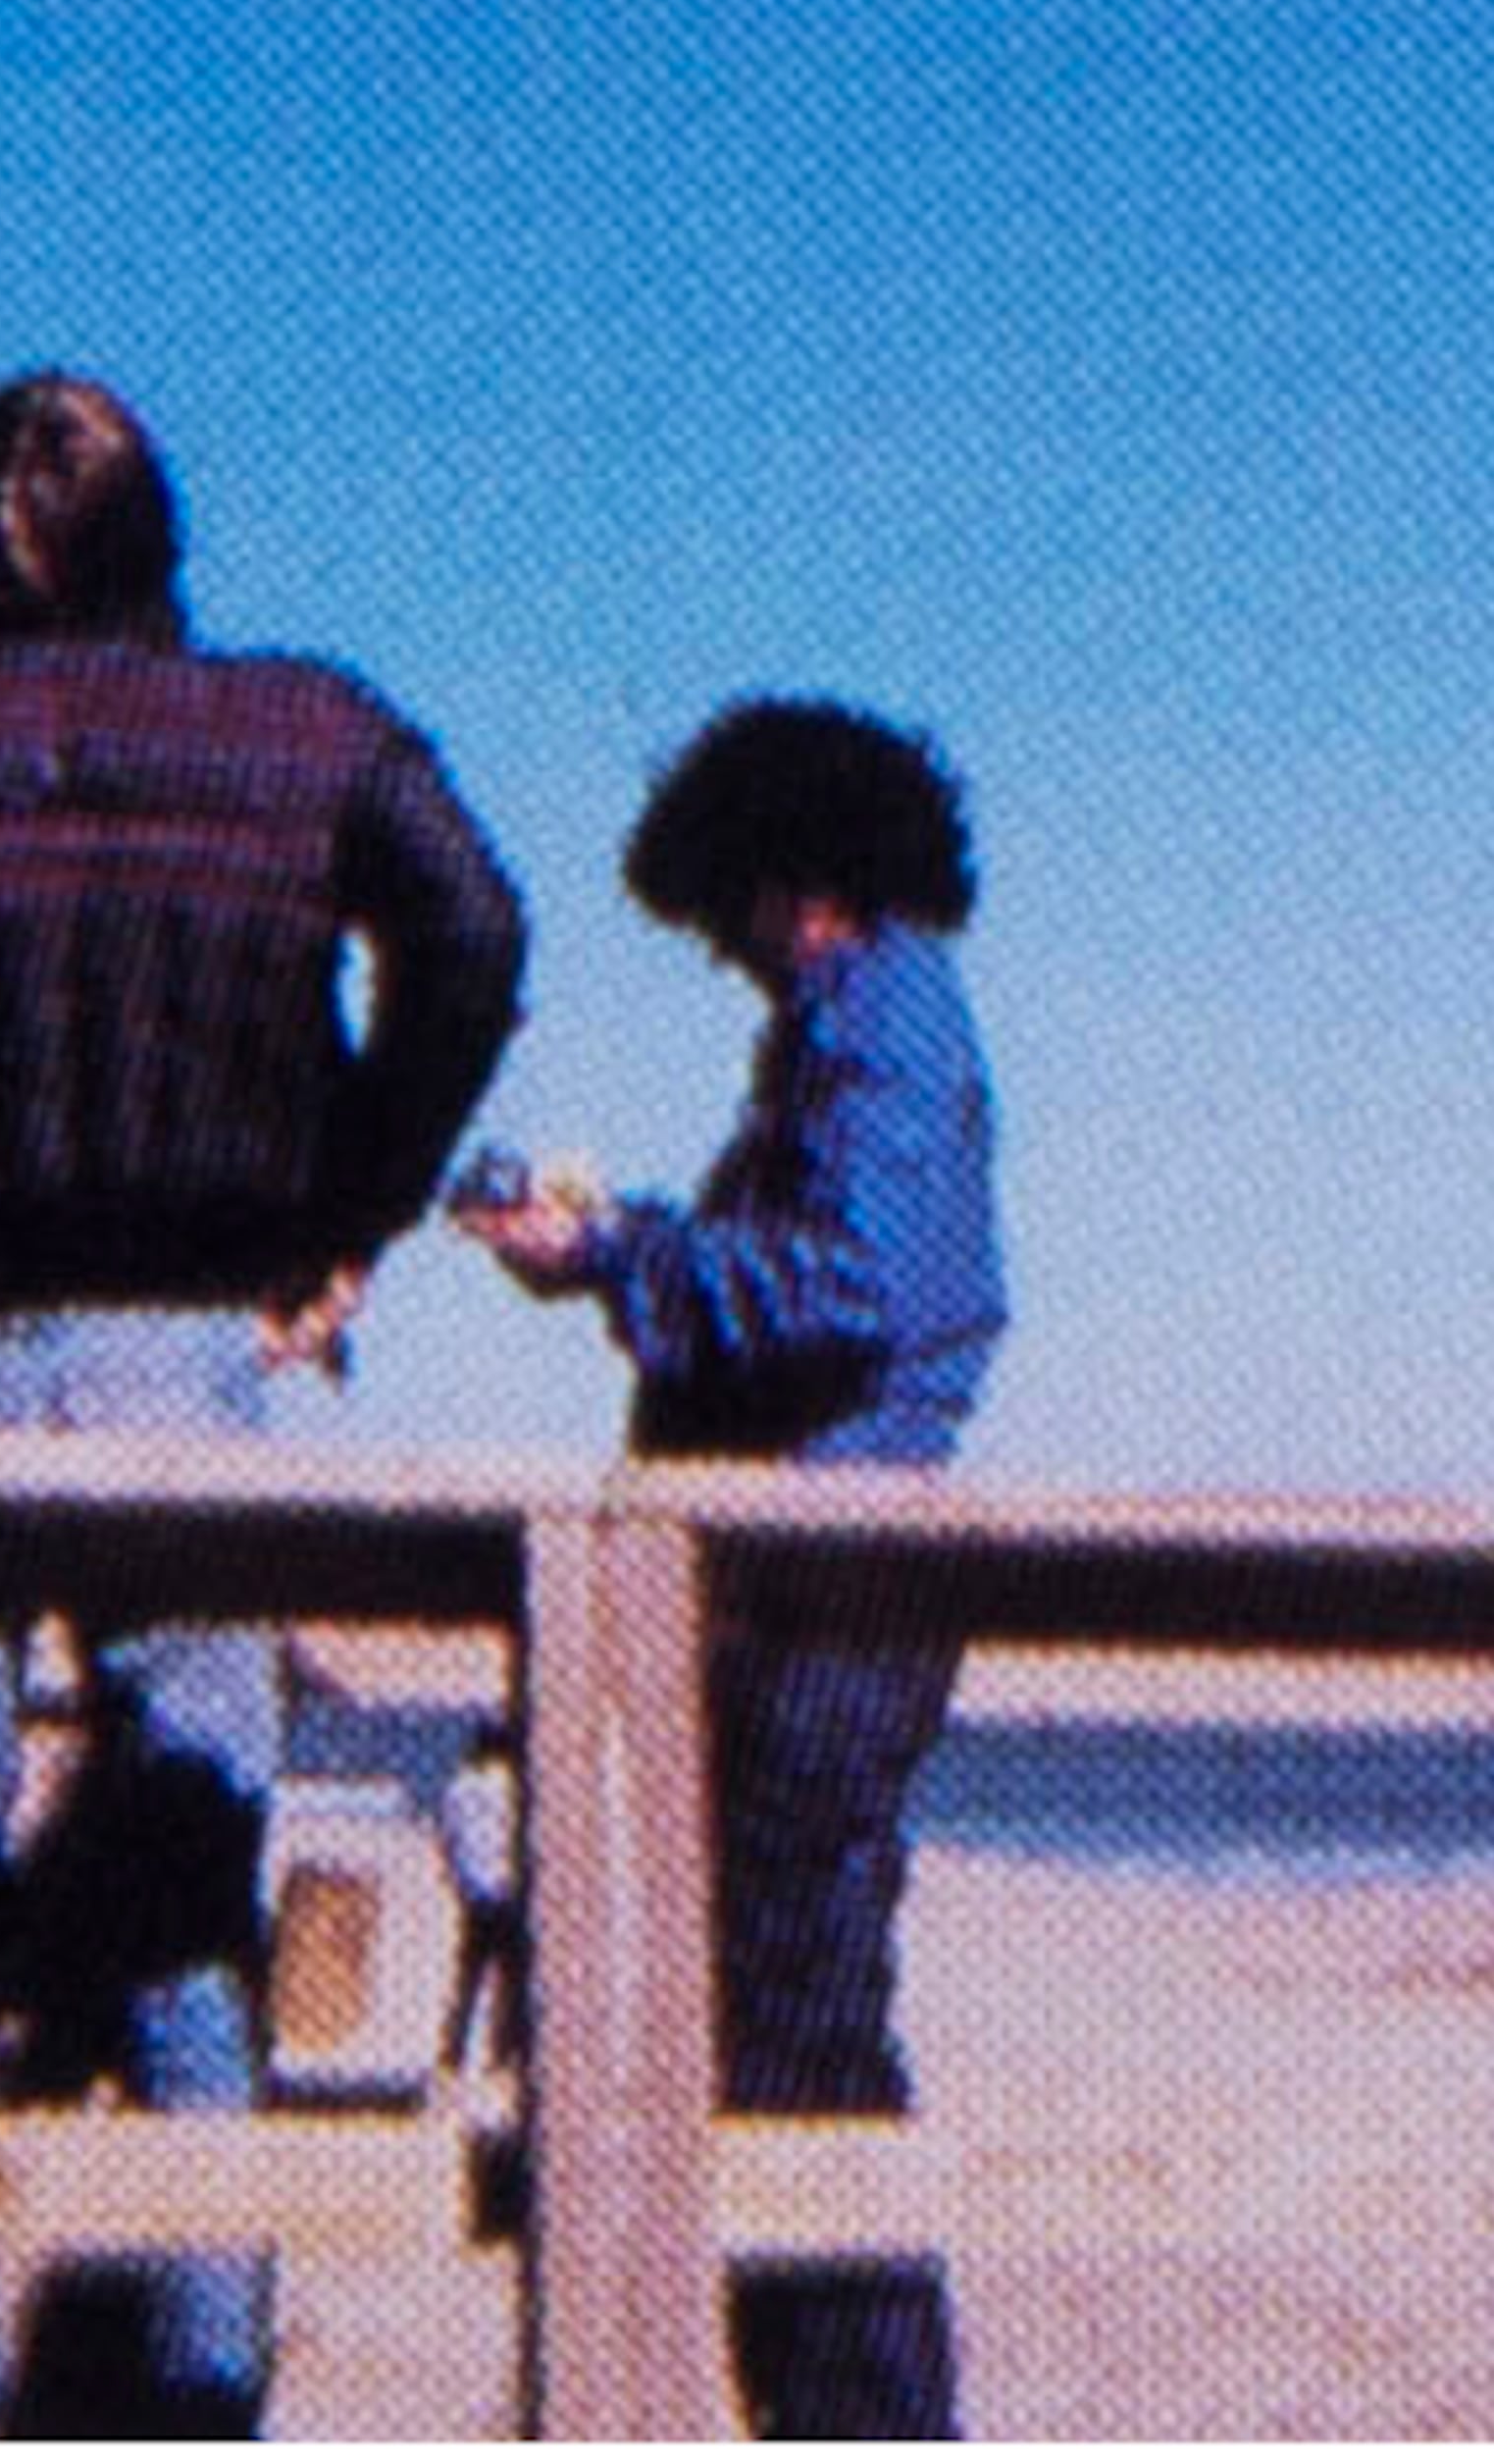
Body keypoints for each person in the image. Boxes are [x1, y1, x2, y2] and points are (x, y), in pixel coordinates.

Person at [0, 371, 526, 2443]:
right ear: (161, 537)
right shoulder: (307, 728)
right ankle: (201, 2401)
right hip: (187, 1367)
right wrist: (347, 1201)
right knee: (185, 1904)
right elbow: (474, 927)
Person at [456, 695, 1005, 2447]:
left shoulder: (887, 1017)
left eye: (727, 914)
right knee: (783, 2045)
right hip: (808, 1591)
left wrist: (620, 1251)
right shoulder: (854, 1027)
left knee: (802, 2056)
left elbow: (853, 1288)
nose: (725, 954)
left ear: (786, 877)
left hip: (832, 1593)